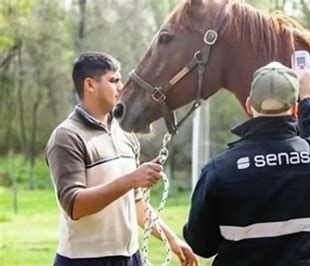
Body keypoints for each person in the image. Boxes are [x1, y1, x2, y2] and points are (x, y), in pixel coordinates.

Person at [45, 52, 198, 266]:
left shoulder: (124, 133)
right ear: (90, 85)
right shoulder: (66, 137)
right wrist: (132, 179)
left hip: (131, 258)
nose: (121, 87)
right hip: (84, 261)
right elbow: (74, 206)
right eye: (114, 80)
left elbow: (135, 203)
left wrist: (172, 240)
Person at [183, 60, 310, 265]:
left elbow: (201, 245)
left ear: (249, 105)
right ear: (294, 109)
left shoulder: (218, 171)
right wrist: (309, 98)